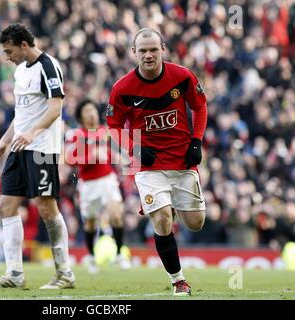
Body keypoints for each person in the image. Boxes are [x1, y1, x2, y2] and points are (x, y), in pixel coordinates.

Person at [107, 28, 207, 296]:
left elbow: (199, 107)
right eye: (142, 50)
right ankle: (178, 281)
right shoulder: (122, 88)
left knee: (196, 223)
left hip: (183, 161)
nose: (148, 55)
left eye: (153, 49)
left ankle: (167, 203)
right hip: (149, 165)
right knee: (162, 220)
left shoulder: (182, 76)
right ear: (133, 53)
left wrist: (196, 141)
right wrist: (134, 148)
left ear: (163, 48)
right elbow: (114, 126)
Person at [0, 23, 75, 289]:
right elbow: (22, 114)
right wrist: (4, 141)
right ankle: (14, 274)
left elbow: (56, 108)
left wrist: (32, 133)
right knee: (6, 206)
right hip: (18, 148)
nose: (7, 57)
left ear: (24, 45)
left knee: (47, 208)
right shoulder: (20, 71)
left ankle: (65, 273)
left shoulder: (49, 66)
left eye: (9, 50)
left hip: (42, 149)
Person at [65, 99, 131, 274]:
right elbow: (70, 160)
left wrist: (117, 156)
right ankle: (92, 256)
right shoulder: (76, 134)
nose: (92, 113)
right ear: (81, 116)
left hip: (108, 179)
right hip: (88, 184)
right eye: (87, 110)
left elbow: (106, 153)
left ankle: (118, 254)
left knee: (116, 215)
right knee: (90, 223)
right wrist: (91, 155)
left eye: (93, 110)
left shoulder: (104, 132)